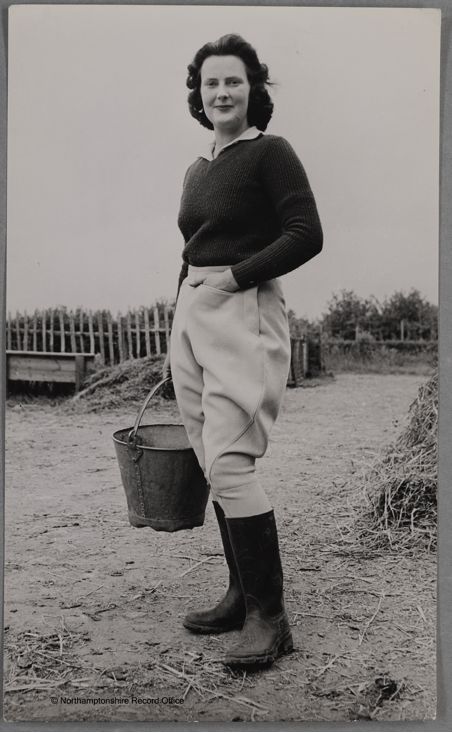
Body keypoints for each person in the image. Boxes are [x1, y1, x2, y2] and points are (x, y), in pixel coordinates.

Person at [162, 33, 323, 669]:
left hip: (243, 304)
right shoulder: (198, 168)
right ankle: (239, 595)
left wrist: (233, 279)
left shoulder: (271, 153)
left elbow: (307, 234)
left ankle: (271, 618)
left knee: (231, 462)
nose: (221, 92)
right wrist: (183, 308)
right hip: (195, 309)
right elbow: (191, 243)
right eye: (210, 83)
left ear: (254, 89)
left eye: (233, 81)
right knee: (210, 459)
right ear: (198, 96)